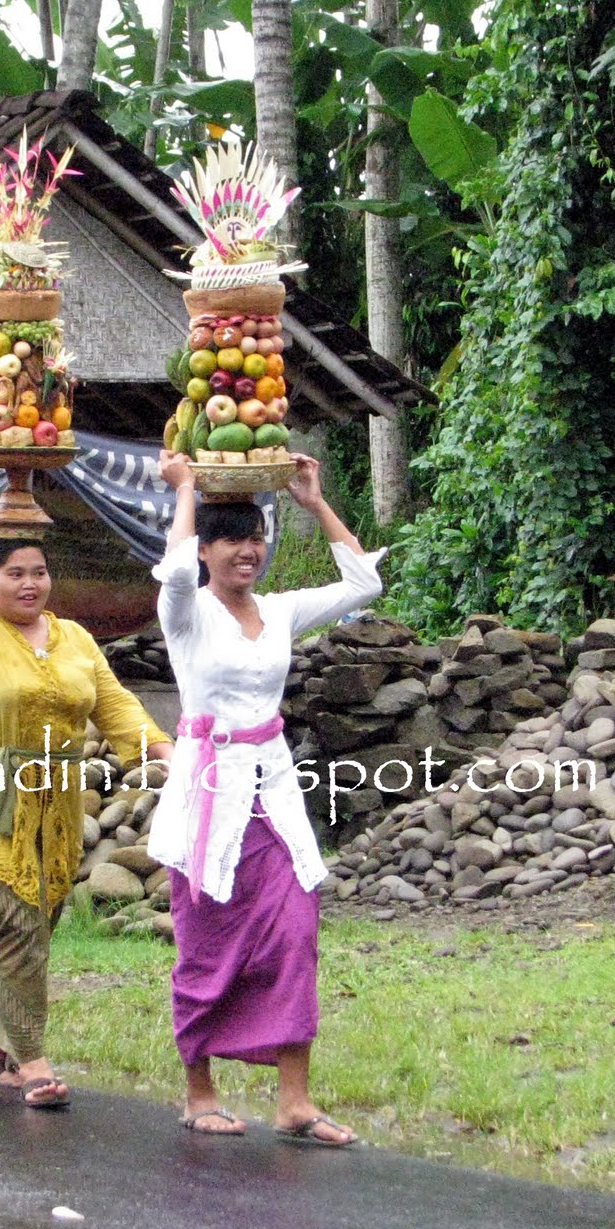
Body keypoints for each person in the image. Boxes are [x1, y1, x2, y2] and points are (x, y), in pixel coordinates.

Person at [0, 440, 172, 1109]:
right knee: (14, 927)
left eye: (38, 572)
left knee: (38, 922)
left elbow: (115, 706)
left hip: (58, 802)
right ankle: (31, 1060)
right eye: (15, 574)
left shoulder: (75, 640)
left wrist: (161, 749)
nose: (30, 584)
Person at [148, 450, 384, 1145]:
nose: (248, 551)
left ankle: (294, 1100)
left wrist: (315, 501)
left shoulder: (279, 611)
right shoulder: (188, 614)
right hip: (207, 794)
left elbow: (363, 581)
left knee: (296, 930)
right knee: (205, 943)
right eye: (232, 539)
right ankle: (198, 1092)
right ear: (209, 549)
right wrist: (188, 491)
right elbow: (173, 574)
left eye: (256, 538)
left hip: (272, 791)